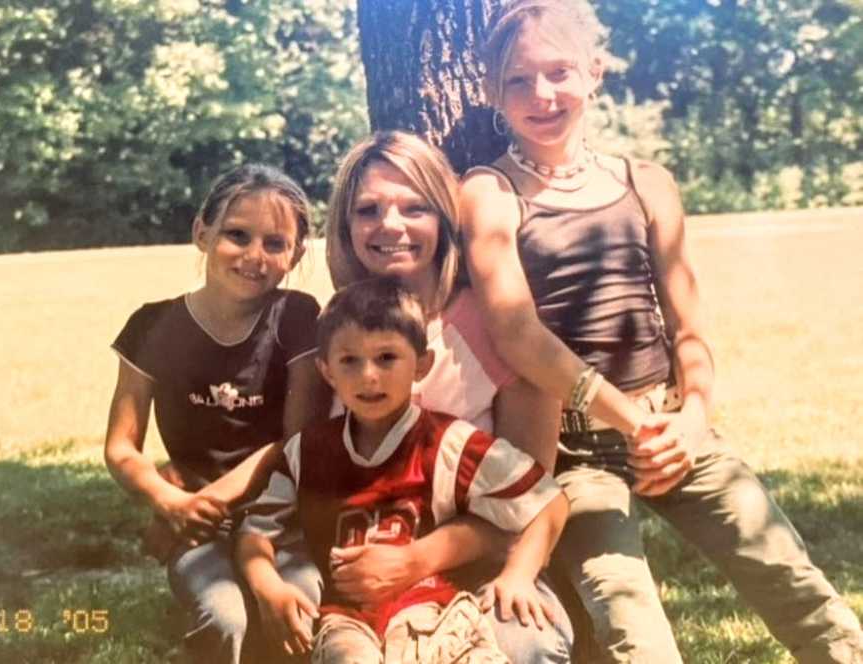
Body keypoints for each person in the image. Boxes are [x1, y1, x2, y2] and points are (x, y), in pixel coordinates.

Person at [459, 1, 863, 662]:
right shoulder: (490, 192)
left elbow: (690, 329)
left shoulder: (643, 181)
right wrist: (628, 423)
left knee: (792, 581)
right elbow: (517, 333)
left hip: (672, 429)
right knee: (632, 628)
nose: (543, 94)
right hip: (574, 452)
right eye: (518, 81)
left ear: (594, 71)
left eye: (559, 71)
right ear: (492, 93)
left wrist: (693, 419)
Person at [324, 130, 571, 661]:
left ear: (443, 218)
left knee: (523, 645)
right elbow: (303, 473)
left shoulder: (495, 328)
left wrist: (417, 559)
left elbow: (532, 501)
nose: (390, 225)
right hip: (359, 576)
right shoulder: (334, 331)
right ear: (346, 227)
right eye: (368, 210)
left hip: (484, 566)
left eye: (415, 207)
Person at [235, 278, 571, 663]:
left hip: (433, 615)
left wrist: (518, 575)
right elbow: (254, 533)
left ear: (422, 364)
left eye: (386, 358)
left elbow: (549, 501)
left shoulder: (449, 443)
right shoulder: (306, 450)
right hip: (346, 621)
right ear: (327, 371)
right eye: (349, 360)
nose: (369, 376)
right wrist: (268, 589)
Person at [103, 163, 332, 664]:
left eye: (275, 243)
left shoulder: (296, 317)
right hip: (195, 527)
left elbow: (295, 441)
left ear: (294, 255)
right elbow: (121, 446)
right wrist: (166, 500)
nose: (254, 255)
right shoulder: (152, 325)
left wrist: (203, 501)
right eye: (237, 235)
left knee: (297, 609)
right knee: (225, 617)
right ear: (202, 233)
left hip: (280, 519)